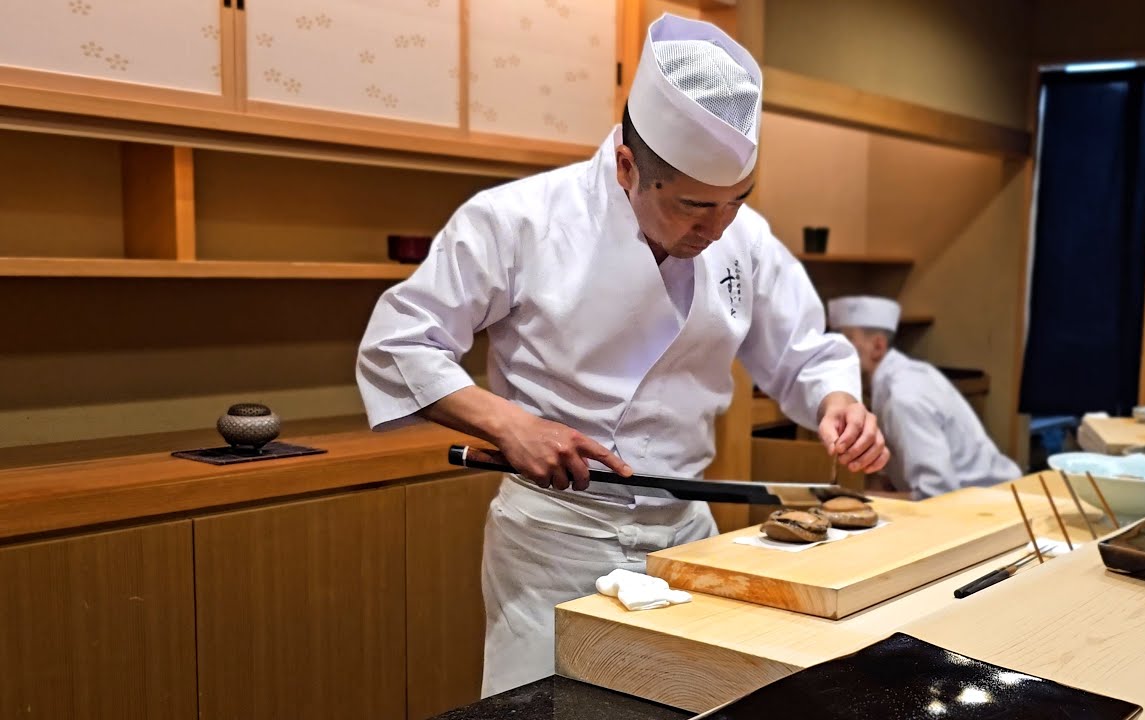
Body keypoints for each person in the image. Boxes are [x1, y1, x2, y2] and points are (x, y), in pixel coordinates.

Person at [357, 14, 889, 696]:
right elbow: (399, 341)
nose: (717, 228)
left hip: (688, 530)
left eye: (736, 202)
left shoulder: (742, 237)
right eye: (696, 206)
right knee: (548, 708)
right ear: (627, 166)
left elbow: (803, 351)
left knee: (686, 703)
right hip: (556, 535)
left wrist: (836, 400)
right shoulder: (518, 219)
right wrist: (510, 424)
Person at [827, 295, 1022, 500]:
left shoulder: (904, 397)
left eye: (846, 341)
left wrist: (855, 498)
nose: (833, 354)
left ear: (877, 346)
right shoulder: (905, 375)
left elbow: (934, 495)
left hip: (989, 505)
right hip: (980, 499)